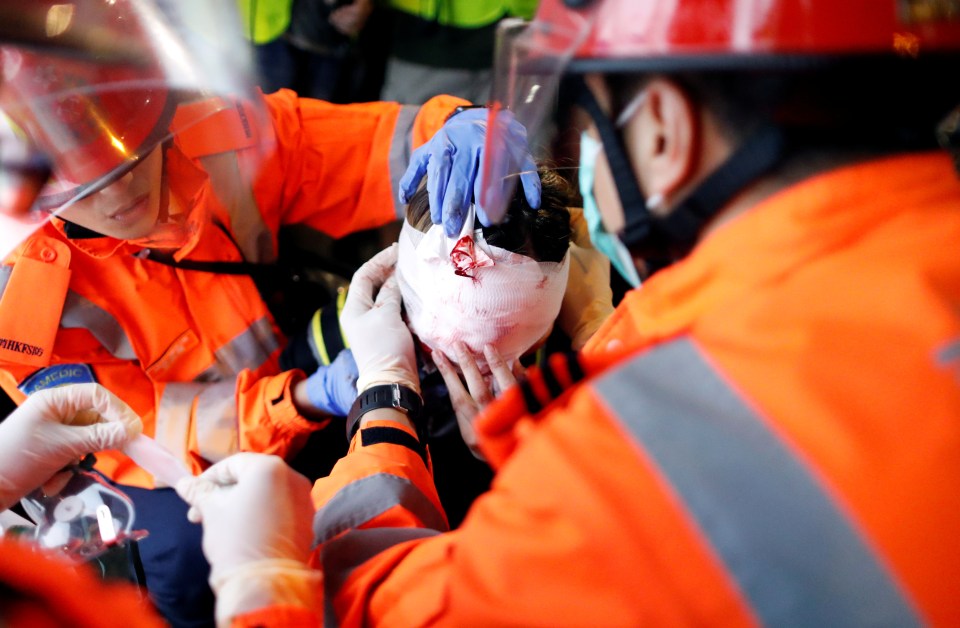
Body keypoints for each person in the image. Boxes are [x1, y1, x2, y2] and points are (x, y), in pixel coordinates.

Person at [177, 0, 960, 625]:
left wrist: (267, 569)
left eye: (586, 128)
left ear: (662, 131)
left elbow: (384, 605)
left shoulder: (624, 462)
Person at [0, 0, 541, 624]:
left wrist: (458, 127)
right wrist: (304, 400)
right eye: (85, 187)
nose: (121, 193)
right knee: (178, 558)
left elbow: (359, 146)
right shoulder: (21, 305)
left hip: (288, 372)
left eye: (133, 154)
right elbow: (144, 429)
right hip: (169, 458)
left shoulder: (216, 133)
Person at [283, 166, 611, 524]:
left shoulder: (572, 378)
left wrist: (523, 458)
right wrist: (308, 400)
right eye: (447, 347)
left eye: (506, 351)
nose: (476, 371)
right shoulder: (330, 341)